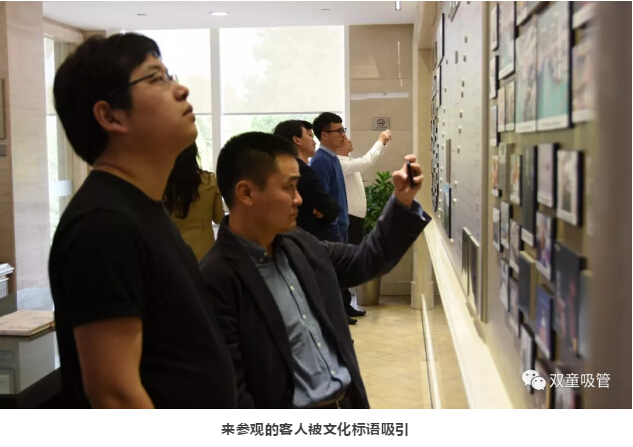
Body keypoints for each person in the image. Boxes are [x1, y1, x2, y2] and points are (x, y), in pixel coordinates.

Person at [48, 33, 236, 408]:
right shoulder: (103, 226)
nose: (181, 89)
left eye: (170, 76)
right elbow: (114, 395)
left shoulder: (141, 208)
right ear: (110, 115)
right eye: (156, 78)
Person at [199, 131, 430, 409]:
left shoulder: (299, 244)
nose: (298, 199)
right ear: (246, 193)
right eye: (288, 188)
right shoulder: (214, 280)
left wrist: (402, 201)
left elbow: (366, 260)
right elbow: (232, 395)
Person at [336, 131, 392, 317]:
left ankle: (345, 305)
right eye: (345, 139)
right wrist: (380, 142)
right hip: (349, 219)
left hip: (354, 218)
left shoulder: (347, 162)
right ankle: (343, 306)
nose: (349, 140)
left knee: (349, 261)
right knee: (346, 262)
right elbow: (367, 161)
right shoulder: (340, 163)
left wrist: (382, 145)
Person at [272, 120, 339, 241]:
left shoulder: (278, 168)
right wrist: (324, 209)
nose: (314, 142)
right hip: (307, 238)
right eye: (309, 136)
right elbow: (330, 207)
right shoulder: (302, 171)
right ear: (297, 140)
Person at [164, 142, 225, 261]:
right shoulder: (210, 180)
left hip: (171, 246)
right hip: (204, 249)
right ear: (194, 154)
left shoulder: (162, 182)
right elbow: (219, 218)